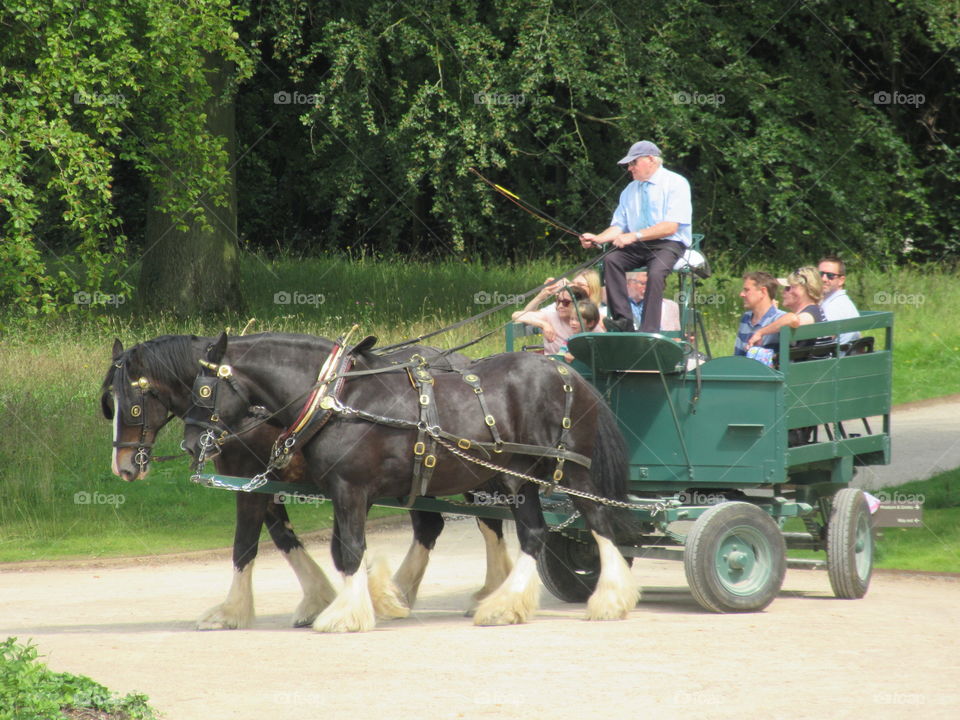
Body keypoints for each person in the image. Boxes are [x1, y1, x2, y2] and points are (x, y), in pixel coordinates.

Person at [579, 140, 692, 333]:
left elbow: (670, 227)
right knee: (611, 260)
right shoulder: (629, 191)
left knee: (656, 273)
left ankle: (649, 329)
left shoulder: (676, 183)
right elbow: (618, 226)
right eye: (628, 165)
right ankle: (624, 321)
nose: (629, 168)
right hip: (639, 244)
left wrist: (634, 235)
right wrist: (598, 238)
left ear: (651, 160)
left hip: (668, 243)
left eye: (633, 163)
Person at [746, 267, 831, 351]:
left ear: (804, 290)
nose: (782, 291)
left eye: (788, 288)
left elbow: (792, 319)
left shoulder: (811, 313)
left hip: (805, 364)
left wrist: (760, 332)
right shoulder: (816, 310)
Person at [512, 280, 587, 355]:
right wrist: (544, 324)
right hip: (552, 363)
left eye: (565, 303)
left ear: (578, 304)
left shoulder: (589, 319)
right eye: (558, 301)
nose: (560, 306)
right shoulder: (551, 315)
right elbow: (516, 315)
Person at [734, 271, 785, 356]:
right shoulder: (746, 317)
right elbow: (738, 356)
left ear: (763, 292)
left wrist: (760, 332)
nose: (742, 294)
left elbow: (793, 319)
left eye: (746, 290)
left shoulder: (779, 319)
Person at [818, 255, 861, 346]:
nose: (823, 279)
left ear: (841, 280)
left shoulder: (834, 306)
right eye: (820, 274)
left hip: (835, 358)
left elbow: (824, 341)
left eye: (830, 276)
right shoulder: (839, 301)